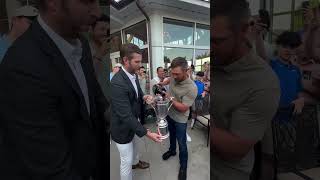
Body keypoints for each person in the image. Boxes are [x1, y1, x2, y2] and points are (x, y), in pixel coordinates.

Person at [0, 0, 110, 179]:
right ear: (53, 3)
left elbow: (93, 97)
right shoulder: (22, 65)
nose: (97, 12)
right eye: (88, 1)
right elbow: (50, 167)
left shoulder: (79, 43)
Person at [211, 1, 280, 180]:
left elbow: (235, 149)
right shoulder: (214, 60)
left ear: (244, 30)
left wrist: (196, 119)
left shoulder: (263, 83)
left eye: (217, 41)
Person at [110, 43, 162, 180]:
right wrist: (148, 133)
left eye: (141, 61)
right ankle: (131, 166)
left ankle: (136, 162)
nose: (140, 65)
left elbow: (136, 92)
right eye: (137, 62)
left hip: (134, 122)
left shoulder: (133, 75)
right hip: (122, 129)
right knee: (125, 162)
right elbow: (125, 115)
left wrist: (144, 96)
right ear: (126, 60)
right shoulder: (117, 83)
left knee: (136, 146)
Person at [162, 57, 197, 180]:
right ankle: (172, 151)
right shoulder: (173, 76)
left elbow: (183, 108)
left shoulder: (191, 88)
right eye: (172, 73)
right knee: (171, 136)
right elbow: (168, 80)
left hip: (181, 119)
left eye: (177, 74)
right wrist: (162, 83)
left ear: (186, 71)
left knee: (182, 143)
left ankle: (183, 167)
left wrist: (169, 98)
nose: (174, 76)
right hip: (170, 114)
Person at [89, 14, 110, 99]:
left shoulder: (108, 50)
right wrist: (100, 53)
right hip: (95, 101)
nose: (105, 33)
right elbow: (88, 76)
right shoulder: (82, 50)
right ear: (91, 30)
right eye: (102, 29)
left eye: (108, 30)